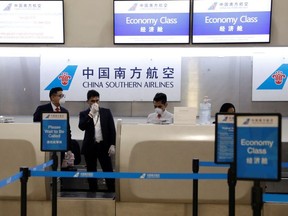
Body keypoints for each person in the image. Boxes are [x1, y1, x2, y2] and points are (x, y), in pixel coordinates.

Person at [78, 89, 116, 192]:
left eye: (97, 101)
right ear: (88, 101)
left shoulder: (106, 112)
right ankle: (93, 191)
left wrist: (113, 144)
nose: (95, 103)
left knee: (108, 170)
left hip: (103, 146)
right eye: (92, 101)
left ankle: (112, 191)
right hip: (90, 146)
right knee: (91, 171)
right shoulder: (84, 113)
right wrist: (91, 114)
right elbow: (81, 126)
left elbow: (112, 129)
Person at [33, 87, 72, 152]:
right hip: (46, 144)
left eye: (63, 96)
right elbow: (36, 126)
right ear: (52, 97)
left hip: (61, 145)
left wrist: (69, 148)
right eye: (60, 96)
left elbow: (68, 130)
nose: (62, 98)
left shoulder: (64, 111)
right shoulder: (41, 109)